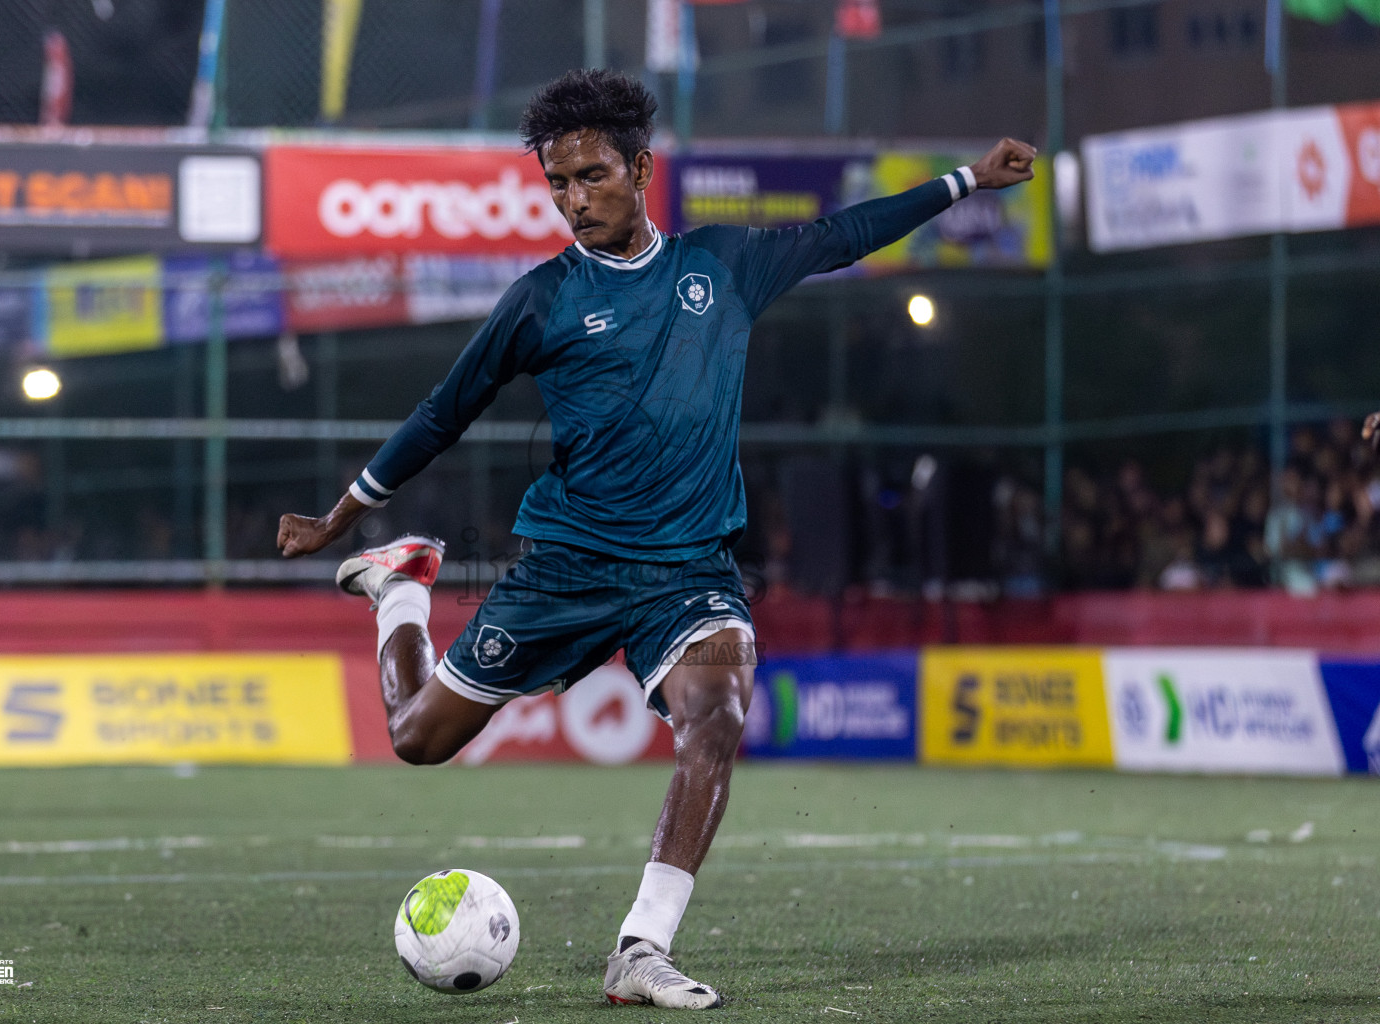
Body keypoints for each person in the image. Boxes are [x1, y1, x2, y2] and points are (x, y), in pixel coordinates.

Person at [277, 68, 1035, 1009]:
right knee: (417, 738)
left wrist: (966, 180)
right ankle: (399, 588)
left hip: (686, 570)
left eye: (590, 176)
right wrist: (341, 519)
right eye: (557, 183)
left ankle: (640, 950)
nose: (572, 200)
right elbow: (443, 414)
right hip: (569, 565)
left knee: (716, 714)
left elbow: (845, 235)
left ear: (640, 169)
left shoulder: (723, 266)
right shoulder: (540, 299)